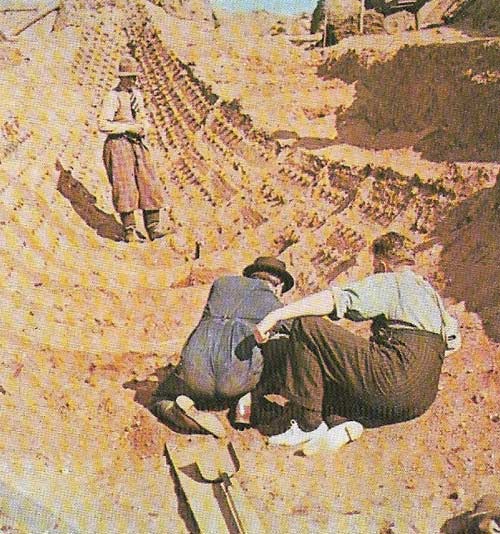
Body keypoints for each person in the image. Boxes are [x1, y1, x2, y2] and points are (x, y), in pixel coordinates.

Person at [254, 232, 461, 451]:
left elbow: (335, 300)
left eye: (374, 267)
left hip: (393, 383)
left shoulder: (392, 281)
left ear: (382, 265)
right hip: (421, 399)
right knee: (334, 371)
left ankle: (307, 424)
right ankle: (340, 423)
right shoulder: (430, 294)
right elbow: (453, 342)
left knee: (306, 326)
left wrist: (276, 316)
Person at [152, 256, 294, 429]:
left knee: (161, 397)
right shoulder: (274, 304)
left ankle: (176, 409)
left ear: (251, 276)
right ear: (278, 286)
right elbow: (299, 330)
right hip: (236, 382)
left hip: (194, 373)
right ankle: (246, 400)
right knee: (281, 344)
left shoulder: (221, 284)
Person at [98, 54, 167, 243]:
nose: (133, 81)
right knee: (124, 185)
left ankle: (152, 227)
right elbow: (103, 124)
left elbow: (143, 118)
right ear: (121, 77)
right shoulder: (112, 97)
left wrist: (143, 127)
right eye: (129, 77)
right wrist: (127, 127)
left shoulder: (137, 96)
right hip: (118, 144)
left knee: (148, 181)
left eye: (135, 77)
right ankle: (129, 230)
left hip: (137, 143)